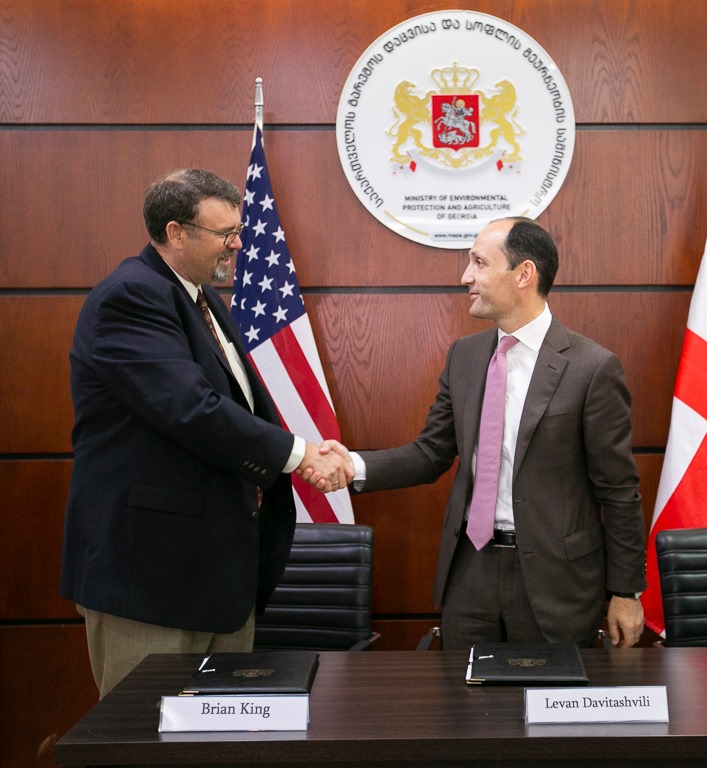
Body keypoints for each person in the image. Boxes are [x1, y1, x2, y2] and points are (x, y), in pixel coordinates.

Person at [61, 168, 350, 698]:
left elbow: (235, 408)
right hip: (150, 581)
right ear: (176, 232)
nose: (238, 245)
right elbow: (192, 409)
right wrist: (301, 454)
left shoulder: (203, 299)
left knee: (218, 732)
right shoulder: (130, 297)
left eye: (238, 231)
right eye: (225, 233)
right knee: (145, 731)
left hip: (218, 578)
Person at [318, 217, 646, 650]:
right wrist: (354, 465)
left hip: (557, 581)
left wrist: (625, 591)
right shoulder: (465, 356)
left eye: (479, 263)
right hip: (469, 574)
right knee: (464, 693)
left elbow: (618, 490)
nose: (465, 277)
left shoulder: (593, 367)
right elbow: (431, 453)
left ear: (523, 274)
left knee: (549, 693)